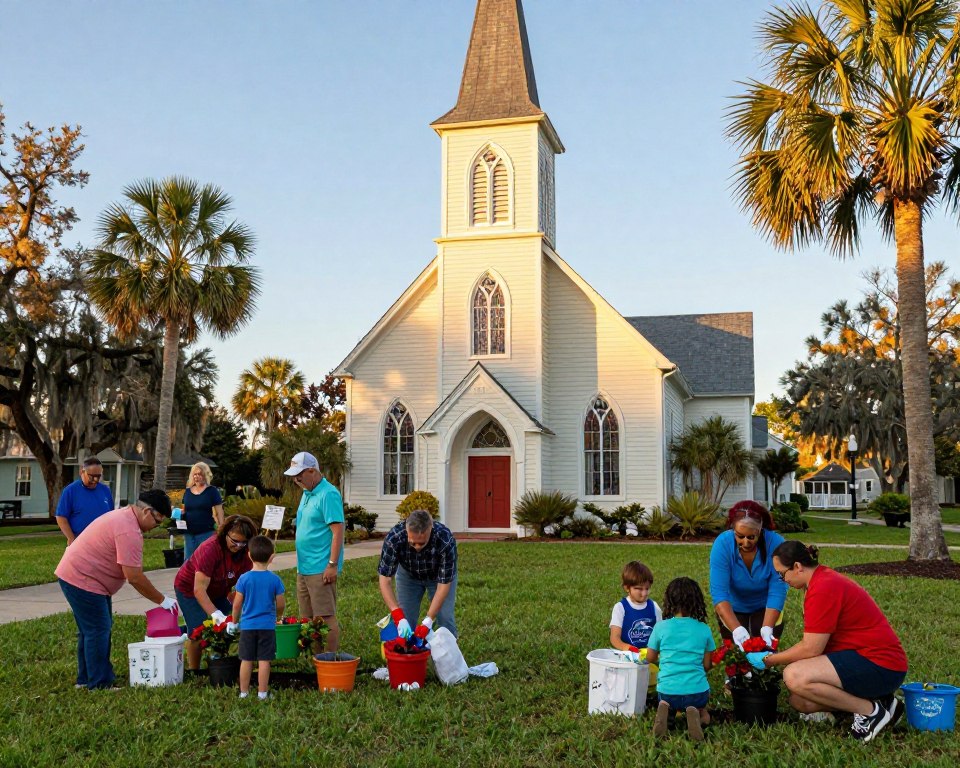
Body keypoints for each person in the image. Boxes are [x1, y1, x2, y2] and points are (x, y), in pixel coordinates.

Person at [748, 541, 908, 743]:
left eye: (782, 574)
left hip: (880, 664)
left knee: (794, 675)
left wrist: (770, 660)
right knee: (800, 701)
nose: (782, 579)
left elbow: (811, 648)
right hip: (862, 660)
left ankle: (870, 712)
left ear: (797, 567)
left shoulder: (823, 587)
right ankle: (883, 702)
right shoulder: (818, 580)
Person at [55, 489, 177, 690]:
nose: (155, 527)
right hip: (82, 579)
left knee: (90, 631)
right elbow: (134, 577)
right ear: (147, 511)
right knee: (98, 629)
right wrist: (162, 600)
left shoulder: (125, 518)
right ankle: (99, 683)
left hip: (80, 576)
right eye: (157, 521)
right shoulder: (128, 530)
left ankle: (86, 679)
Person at [174, 514, 258, 670]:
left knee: (230, 623)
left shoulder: (246, 553)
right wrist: (215, 614)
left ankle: (219, 658)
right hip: (189, 589)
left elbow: (246, 584)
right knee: (198, 630)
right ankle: (194, 670)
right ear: (225, 533)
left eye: (243, 542)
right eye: (234, 541)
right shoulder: (210, 549)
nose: (239, 546)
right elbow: (199, 590)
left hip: (219, 589)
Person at [709, 500, 788, 652]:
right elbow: (719, 594)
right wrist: (736, 629)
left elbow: (778, 588)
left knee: (764, 648)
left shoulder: (776, 543)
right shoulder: (723, 544)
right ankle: (735, 675)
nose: (745, 542)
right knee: (736, 652)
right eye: (740, 536)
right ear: (733, 530)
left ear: (761, 530)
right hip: (734, 604)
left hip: (765, 605)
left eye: (752, 537)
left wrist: (767, 627)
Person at [285, 451, 344, 651]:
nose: (296, 480)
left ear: (312, 471)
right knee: (309, 619)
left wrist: (332, 565)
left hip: (321, 567)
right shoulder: (307, 492)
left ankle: (330, 660)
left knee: (325, 617)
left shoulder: (329, 494)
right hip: (304, 567)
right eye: (294, 476)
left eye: (299, 475)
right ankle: (317, 660)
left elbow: (338, 532)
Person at [645, 577, 716, 742]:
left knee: (669, 700)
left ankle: (665, 710)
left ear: (669, 601)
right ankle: (698, 713)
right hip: (697, 693)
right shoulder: (704, 629)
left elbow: (650, 658)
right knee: (704, 711)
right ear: (697, 602)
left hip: (667, 691)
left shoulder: (660, 627)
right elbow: (707, 665)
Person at [378, 508, 458, 640]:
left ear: (430, 529)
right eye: (412, 542)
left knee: (445, 619)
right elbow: (385, 579)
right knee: (405, 622)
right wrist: (397, 614)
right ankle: (406, 658)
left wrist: (428, 620)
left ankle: (448, 659)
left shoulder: (444, 539)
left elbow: (444, 584)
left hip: (438, 577)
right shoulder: (394, 538)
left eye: (422, 543)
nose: (417, 547)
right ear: (406, 529)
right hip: (408, 576)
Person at [231, 535, 285, 701]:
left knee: (246, 660)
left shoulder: (244, 578)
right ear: (272, 558)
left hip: (247, 626)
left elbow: (237, 604)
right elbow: (281, 603)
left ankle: (244, 692)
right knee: (264, 660)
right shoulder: (275, 580)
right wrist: (278, 615)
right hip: (267, 627)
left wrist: (234, 621)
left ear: (249, 555)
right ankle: (262, 693)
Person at [55, 457, 115, 545]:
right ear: (82, 472)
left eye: (98, 476)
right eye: (92, 476)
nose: (95, 480)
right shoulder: (71, 490)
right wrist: (71, 538)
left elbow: (111, 515)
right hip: (80, 542)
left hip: (103, 542)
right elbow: (61, 517)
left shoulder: (105, 490)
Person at [609, 560, 661, 652]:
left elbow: (661, 634)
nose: (644, 593)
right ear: (627, 588)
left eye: (647, 589)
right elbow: (614, 638)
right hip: (627, 657)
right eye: (639, 589)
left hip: (650, 658)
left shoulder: (654, 607)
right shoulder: (620, 608)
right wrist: (626, 648)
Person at [181, 461, 225, 559]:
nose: (197, 476)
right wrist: (178, 513)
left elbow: (219, 511)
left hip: (206, 533)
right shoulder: (187, 491)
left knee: (205, 561)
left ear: (205, 475)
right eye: (195, 474)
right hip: (189, 534)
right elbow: (184, 510)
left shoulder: (212, 491)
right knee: (188, 562)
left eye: (200, 474)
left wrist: (222, 528)